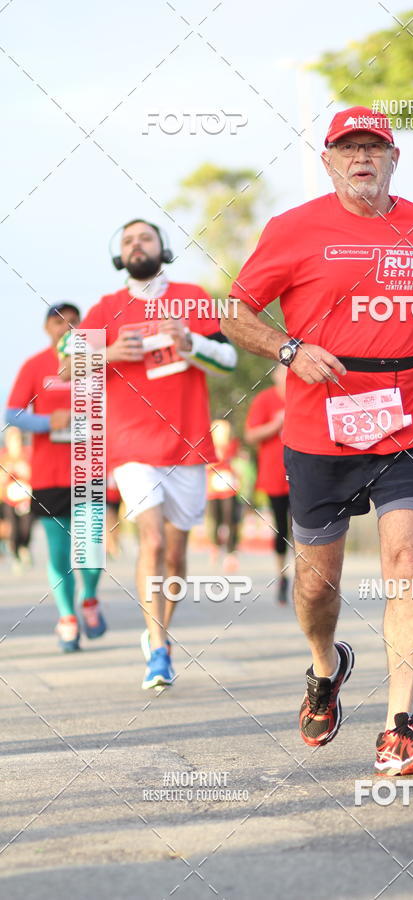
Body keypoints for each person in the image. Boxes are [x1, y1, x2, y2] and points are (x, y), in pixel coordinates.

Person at [223, 106, 413, 774]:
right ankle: (325, 665)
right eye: (349, 147)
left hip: (410, 414)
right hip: (322, 421)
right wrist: (288, 349)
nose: (362, 156)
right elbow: (236, 313)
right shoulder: (294, 228)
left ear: (395, 159)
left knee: (409, 557)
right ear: (329, 161)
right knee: (317, 588)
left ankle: (400, 724)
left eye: (375, 147)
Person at [59, 219, 237, 689]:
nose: (137, 245)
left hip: (188, 445)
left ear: (162, 248)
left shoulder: (193, 297)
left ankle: (161, 633)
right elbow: (67, 366)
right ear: (121, 256)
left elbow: (229, 360)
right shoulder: (105, 309)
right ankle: (157, 650)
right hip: (133, 444)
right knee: (153, 541)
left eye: (146, 237)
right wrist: (110, 351)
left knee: (176, 558)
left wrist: (190, 341)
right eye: (128, 241)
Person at [5, 304, 106, 651]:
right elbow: (13, 413)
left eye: (74, 321)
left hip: (90, 468)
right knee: (59, 553)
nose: (67, 326)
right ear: (47, 327)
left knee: (91, 550)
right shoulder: (34, 365)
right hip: (49, 474)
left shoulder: (98, 361)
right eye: (58, 321)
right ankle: (67, 617)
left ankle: (89, 598)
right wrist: (50, 423)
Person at [245, 364, 290, 605]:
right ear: (274, 374)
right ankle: (282, 575)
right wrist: (275, 424)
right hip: (274, 474)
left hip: (303, 474)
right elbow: (250, 435)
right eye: (282, 371)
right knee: (282, 528)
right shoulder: (264, 400)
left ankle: (307, 576)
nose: (286, 375)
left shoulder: (303, 396)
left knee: (306, 528)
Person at [206, 419, 241, 573]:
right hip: (213, 488)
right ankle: (215, 546)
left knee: (230, 520)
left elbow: (235, 461)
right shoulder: (208, 446)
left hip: (228, 487)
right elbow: (206, 464)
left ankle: (230, 554)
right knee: (215, 520)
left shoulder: (232, 444)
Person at [0, 427, 34, 573]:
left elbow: (33, 473)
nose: (16, 442)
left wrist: (24, 470)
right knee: (12, 528)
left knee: (26, 527)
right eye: (13, 439)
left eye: (18, 439)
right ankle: (16, 555)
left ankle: (24, 547)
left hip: (25, 498)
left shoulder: (28, 454)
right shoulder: (4, 457)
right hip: (8, 499)